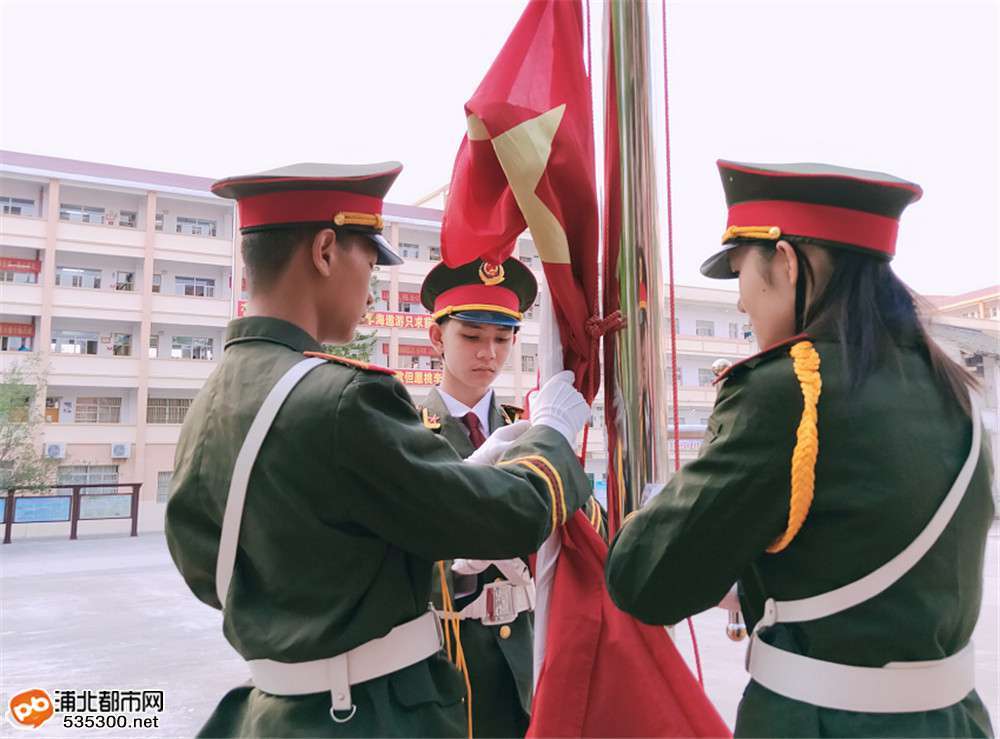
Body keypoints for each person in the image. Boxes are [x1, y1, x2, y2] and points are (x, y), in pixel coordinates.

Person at [164, 162, 593, 738]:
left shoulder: (216, 395)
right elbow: (504, 518)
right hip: (371, 713)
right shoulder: (344, 398)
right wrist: (553, 438)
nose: (369, 283)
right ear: (324, 250)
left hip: (279, 708)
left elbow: (204, 566)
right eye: (369, 259)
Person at [606, 160, 995, 737]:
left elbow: (645, 582)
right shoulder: (953, 391)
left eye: (741, 273)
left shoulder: (789, 388)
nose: (742, 305)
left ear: (785, 262)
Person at [417, 257, 604, 738]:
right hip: (445, 662)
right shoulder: (406, 430)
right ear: (438, 338)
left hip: (526, 653)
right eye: (472, 336)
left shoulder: (529, 425)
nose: (489, 352)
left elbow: (590, 527)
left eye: (502, 339)